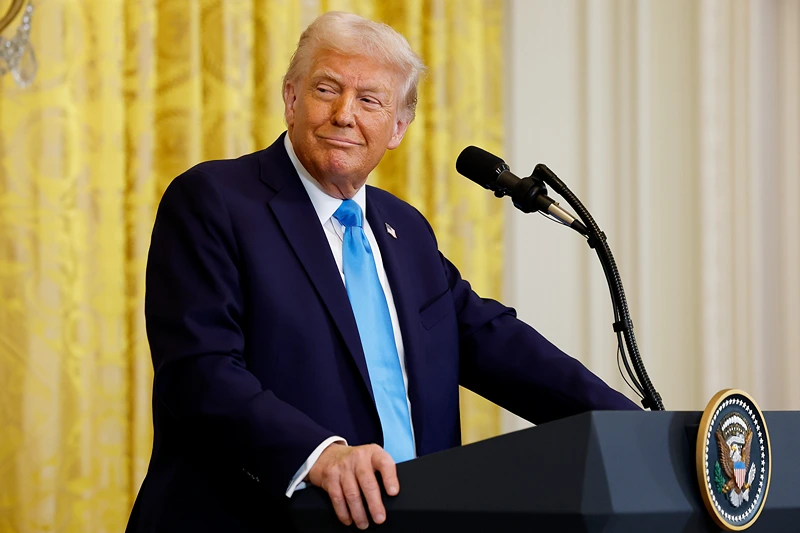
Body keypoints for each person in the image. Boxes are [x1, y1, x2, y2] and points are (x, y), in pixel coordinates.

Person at [125, 11, 639, 533]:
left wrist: (633, 430)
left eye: (370, 99)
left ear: (397, 128)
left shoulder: (405, 230)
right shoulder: (214, 201)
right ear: (291, 99)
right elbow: (198, 371)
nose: (345, 114)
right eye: (327, 89)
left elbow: (493, 340)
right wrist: (319, 455)